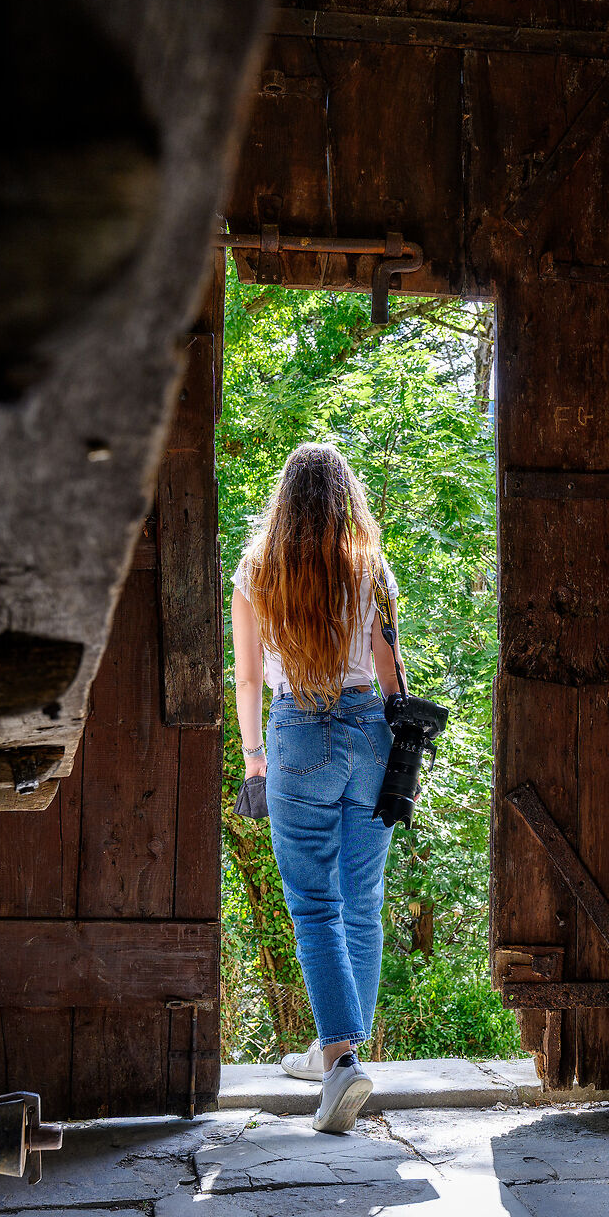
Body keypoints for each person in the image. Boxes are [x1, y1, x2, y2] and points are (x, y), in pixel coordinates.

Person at [232, 442, 406, 1134]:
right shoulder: (370, 567)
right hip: (369, 730)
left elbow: (246, 678)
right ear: (344, 499)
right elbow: (393, 677)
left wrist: (254, 761)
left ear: (284, 498)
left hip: (298, 731)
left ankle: (338, 1064)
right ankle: (340, 1051)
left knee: (312, 906)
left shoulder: (256, 569)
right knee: (362, 900)